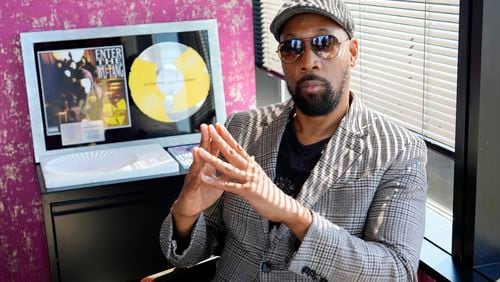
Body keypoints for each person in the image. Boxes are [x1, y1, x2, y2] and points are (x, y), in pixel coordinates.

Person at [159, 0, 428, 280]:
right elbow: (191, 253)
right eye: (292, 47)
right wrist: (186, 212)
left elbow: (396, 271)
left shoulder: (399, 150)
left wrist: (292, 213)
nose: (308, 61)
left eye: (325, 43)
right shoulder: (241, 128)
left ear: (352, 52)